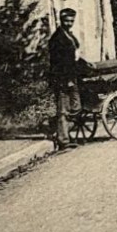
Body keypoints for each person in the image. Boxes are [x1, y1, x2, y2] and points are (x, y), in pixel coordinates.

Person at [48, 8, 81, 147]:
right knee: (63, 109)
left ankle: (62, 132)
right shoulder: (58, 39)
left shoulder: (69, 35)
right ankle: (63, 140)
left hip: (71, 76)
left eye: (72, 21)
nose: (69, 23)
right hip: (62, 78)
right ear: (62, 20)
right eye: (67, 20)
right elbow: (59, 62)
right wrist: (66, 80)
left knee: (76, 107)